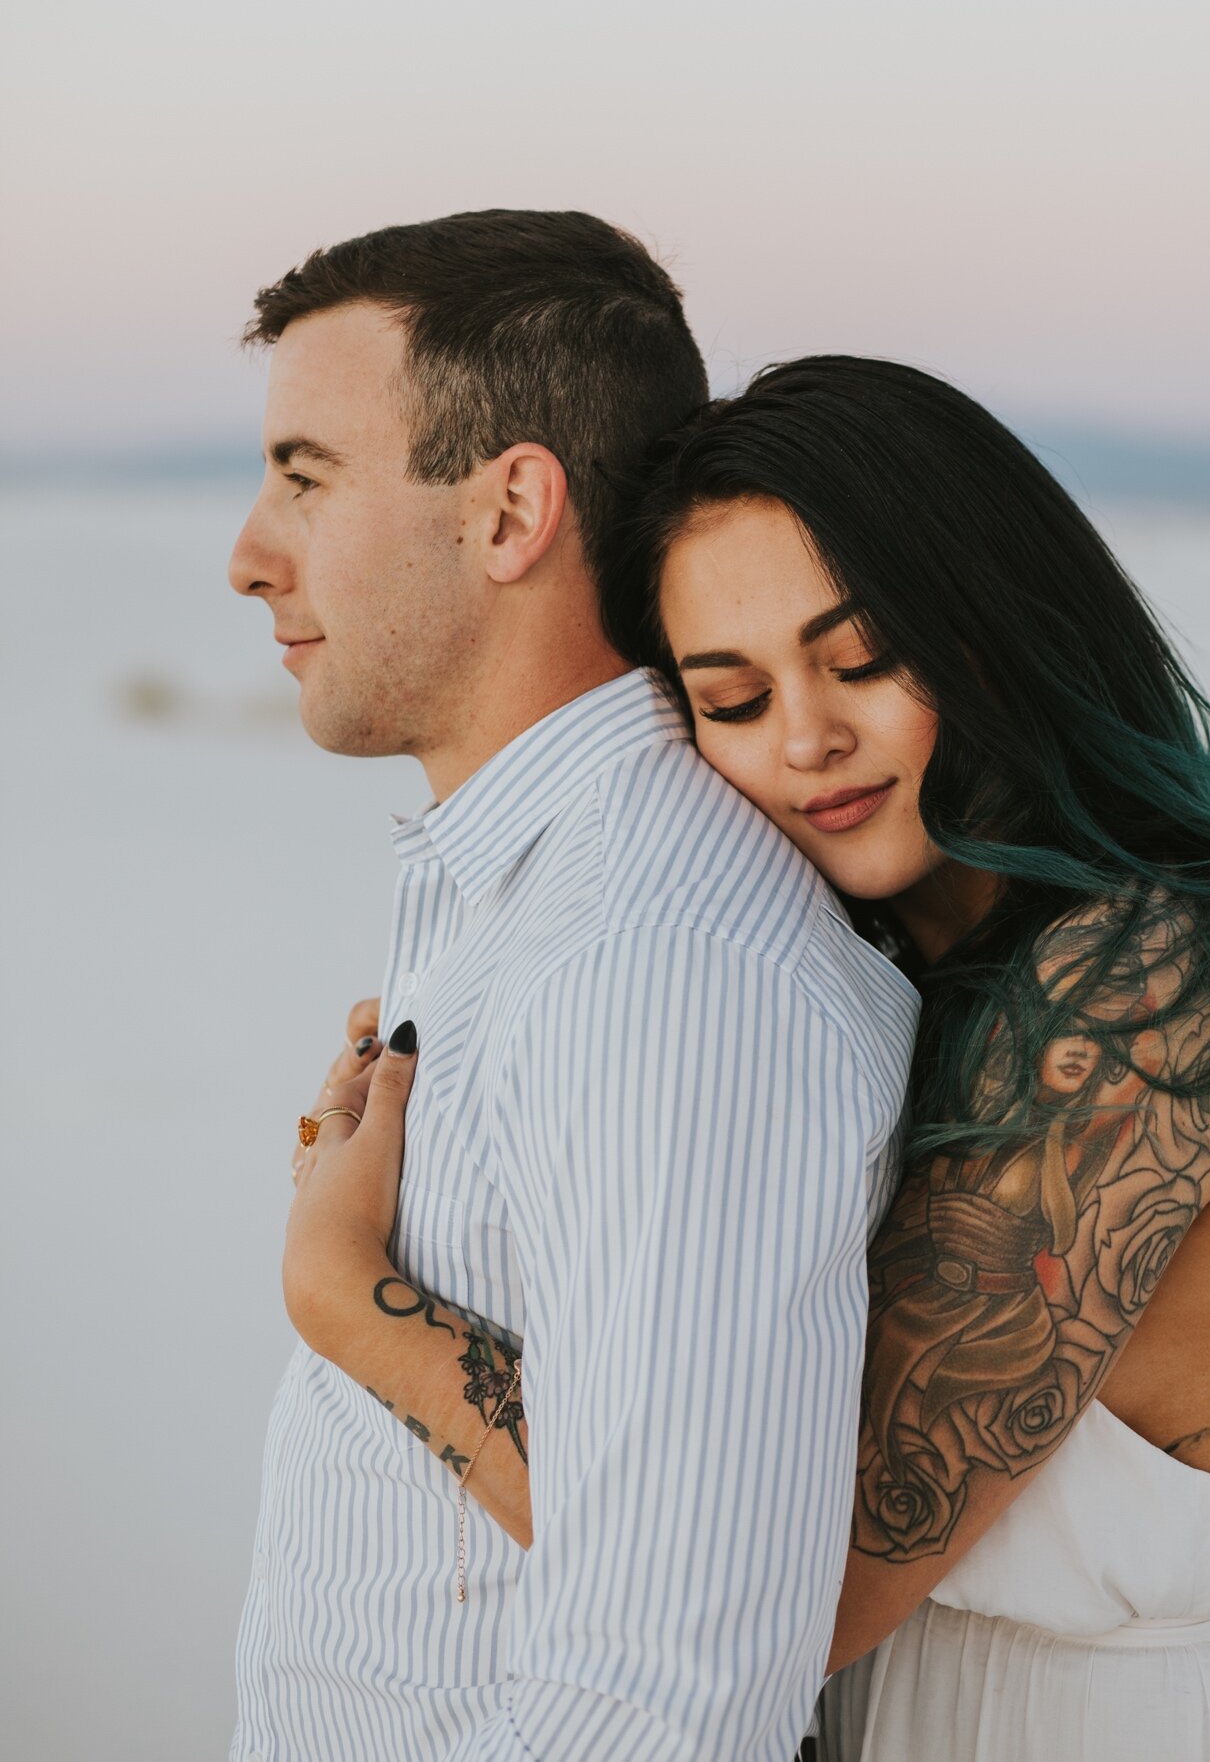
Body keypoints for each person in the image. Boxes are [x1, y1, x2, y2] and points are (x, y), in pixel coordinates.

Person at [305, 354, 1210, 1760]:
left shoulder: (1147, 983)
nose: (809, 739)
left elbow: (777, 1574)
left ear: (994, 623)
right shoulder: (900, 970)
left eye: (864, 659)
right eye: (734, 696)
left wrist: (358, 1297)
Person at [226, 215, 921, 1762]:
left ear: (512, 509)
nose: (248, 552)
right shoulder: (523, 895)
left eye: (305, 475)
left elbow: (665, 1692)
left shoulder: (660, 965)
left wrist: (346, 1293)